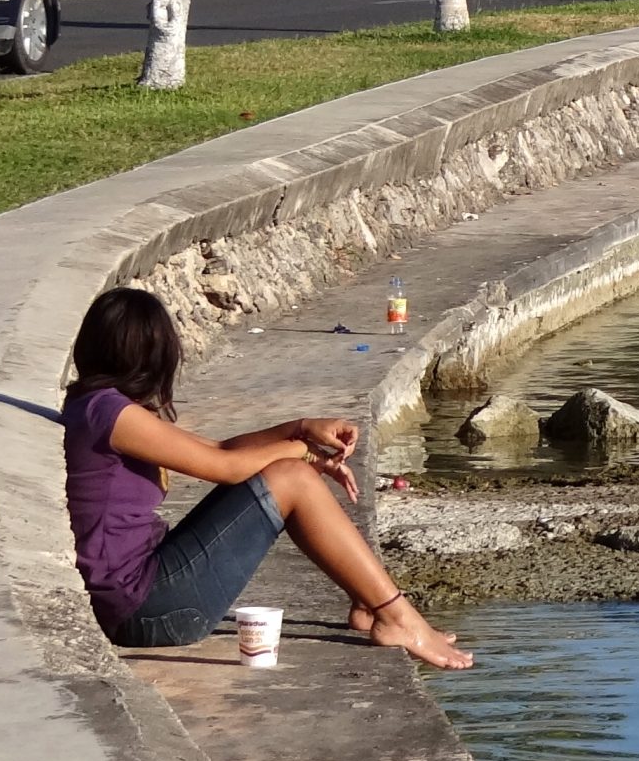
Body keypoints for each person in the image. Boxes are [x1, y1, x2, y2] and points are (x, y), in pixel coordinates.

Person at [61, 287, 471, 669]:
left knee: (288, 472)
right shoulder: (110, 413)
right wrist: (301, 452)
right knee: (291, 477)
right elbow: (224, 468)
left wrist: (299, 428)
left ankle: (369, 604)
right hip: (147, 609)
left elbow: (220, 451)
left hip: (145, 598)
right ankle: (397, 616)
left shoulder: (95, 407)